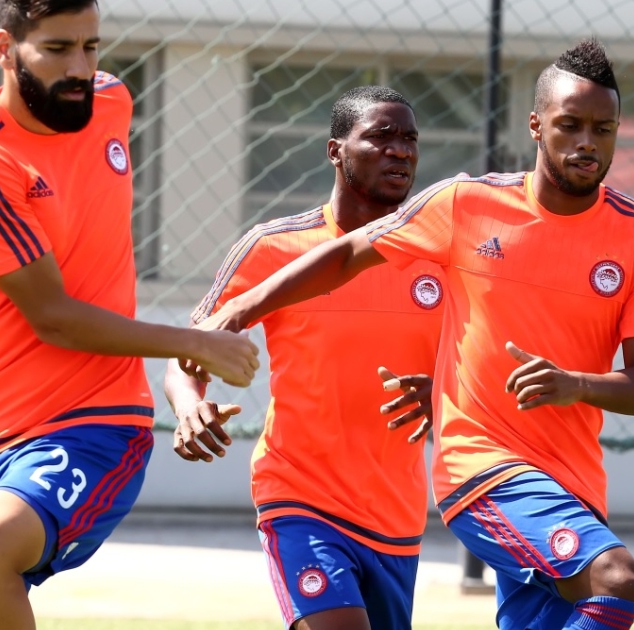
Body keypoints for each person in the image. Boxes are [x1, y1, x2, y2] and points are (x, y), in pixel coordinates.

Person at [187, 39, 634, 630]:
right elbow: (345, 255)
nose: (587, 142)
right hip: (475, 467)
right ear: (536, 126)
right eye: (570, 125)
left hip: (562, 486)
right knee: (615, 580)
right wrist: (240, 310)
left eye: (604, 128)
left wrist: (574, 384)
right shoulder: (466, 204)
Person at [0, 1, 260, 629]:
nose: (80, 67)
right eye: (56, 49)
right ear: (5, 49)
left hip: (90, 421)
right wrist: (196, 343)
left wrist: (188, 360)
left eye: (91, 46)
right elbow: (52, 316)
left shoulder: (111, 101)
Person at [164, 86, 443, 630]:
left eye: (410, 139)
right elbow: (189, 350)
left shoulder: (440, 255)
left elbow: (479, 362)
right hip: (299, 495)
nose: (400, 151)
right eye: (381, 137)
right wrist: (188, 406)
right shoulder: (272, 247)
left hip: (396, 514)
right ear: (335, 151)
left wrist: (446, 393)